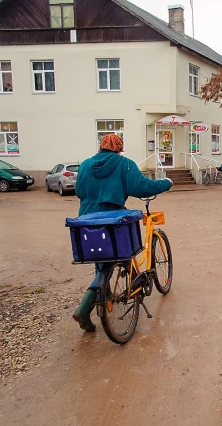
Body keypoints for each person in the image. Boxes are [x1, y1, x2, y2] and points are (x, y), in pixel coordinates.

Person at [72, 133, 173, 332]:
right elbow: (142, 187)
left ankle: (105, 296)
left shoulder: (84, 165)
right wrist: (166, 183)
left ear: (100, 147)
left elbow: (79, 192)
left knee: (99, 257)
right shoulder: (124, 164)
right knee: (118, 254)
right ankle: (85, 308)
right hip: (112, 218)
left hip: (86, 219)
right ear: (119, 148)